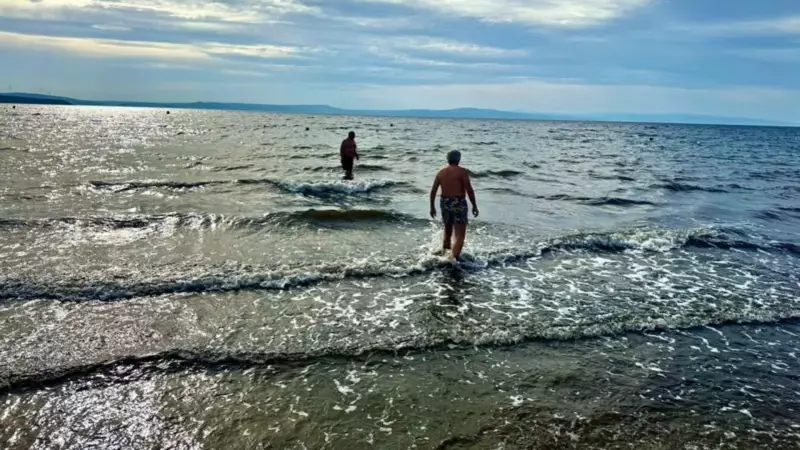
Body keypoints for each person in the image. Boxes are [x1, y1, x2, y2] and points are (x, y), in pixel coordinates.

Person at [429, 150, 478, 260]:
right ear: (459, 159)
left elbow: (433, 191)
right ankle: (451, 260)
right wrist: (474, 205)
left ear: (448, 159)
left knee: (448, 231)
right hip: (458, 202)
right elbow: (469, 190)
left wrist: (432, 207)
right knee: (460, 236)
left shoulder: (441, 172)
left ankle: (443, 256)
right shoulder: (462, 172)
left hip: (444, 202)